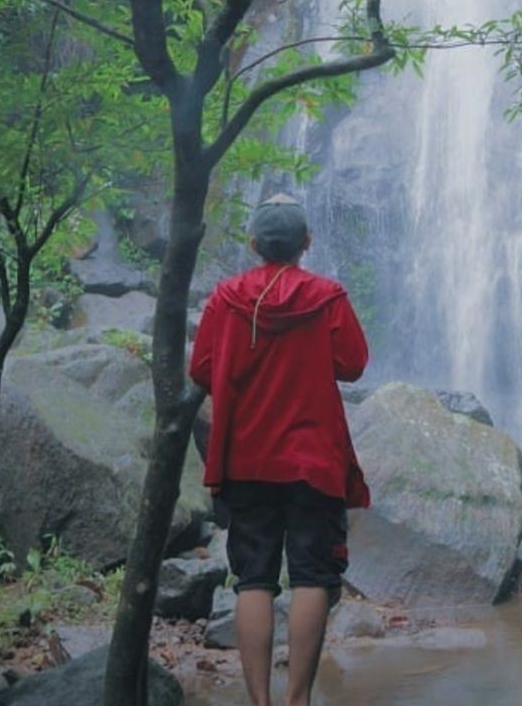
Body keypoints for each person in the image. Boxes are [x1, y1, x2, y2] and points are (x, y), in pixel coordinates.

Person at [189, 193, 370, 706]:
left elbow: (200, 369)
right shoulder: (328, 297)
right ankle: (298, 699)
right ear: (306, 244)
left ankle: (259, 701)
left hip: (247, 458)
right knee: (313, 574)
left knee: (254, 579)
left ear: (253, 244)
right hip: (313, 459)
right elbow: (353, 363)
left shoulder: (226, 299)